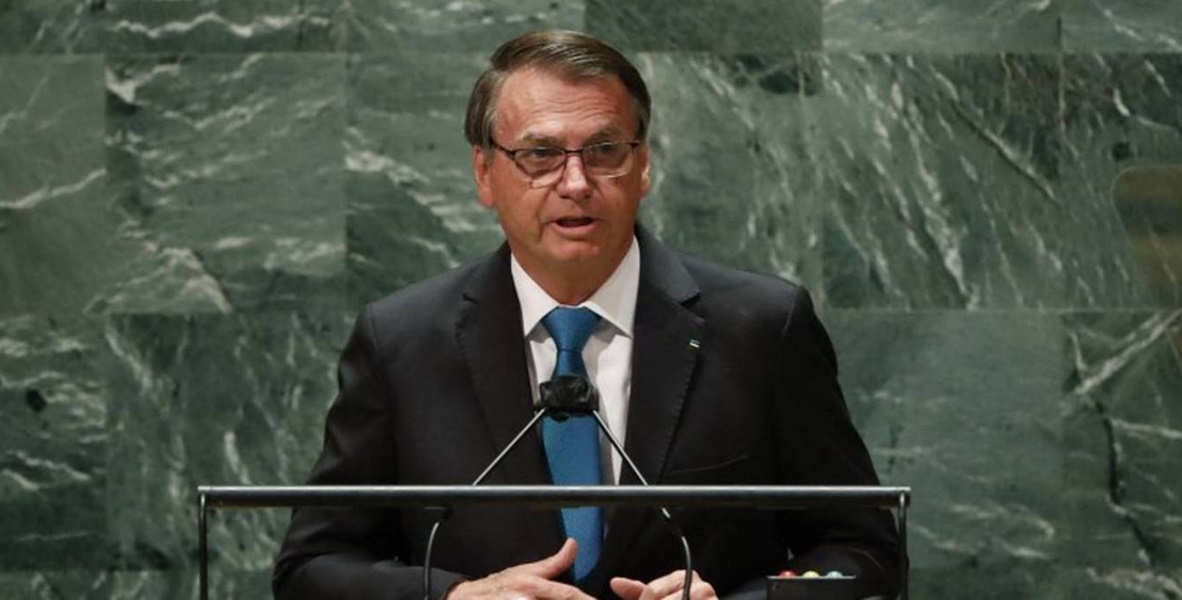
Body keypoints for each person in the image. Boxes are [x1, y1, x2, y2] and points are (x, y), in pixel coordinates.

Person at [274, 29, 901, 600]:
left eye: (604, 150)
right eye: (540, 155)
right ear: (485, 172)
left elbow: (863, 551)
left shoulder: (762, 327)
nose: (576, 182)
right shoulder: (402, 341)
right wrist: (456, 598)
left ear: (644, 164)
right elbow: (313, 565)